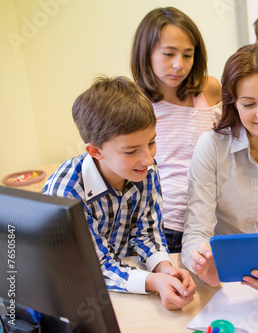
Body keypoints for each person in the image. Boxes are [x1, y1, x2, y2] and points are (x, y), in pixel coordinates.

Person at [42, 76, 196, 310]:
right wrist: (154, 281)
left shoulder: (145, 170)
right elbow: (96, 265)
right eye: (131, 150)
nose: (148, 158)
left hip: (124, 283)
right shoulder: (67, 193)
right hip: (71, 294)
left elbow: (147, 232)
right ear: (95, 151)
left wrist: (165, 268)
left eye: (151, 142)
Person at [181, 43, 258, 298]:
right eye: (249, 104)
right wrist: (199, 258)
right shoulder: (212, 146)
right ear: (233, 103)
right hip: (224, 276)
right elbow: (196, 229)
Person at [131, 7, 222, 253]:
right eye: (168, 54)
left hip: (211, 222)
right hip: (160, 224)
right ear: (145, 53)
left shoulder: (210, 90)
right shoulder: (135, 102)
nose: (179, 65)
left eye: (188, 55)